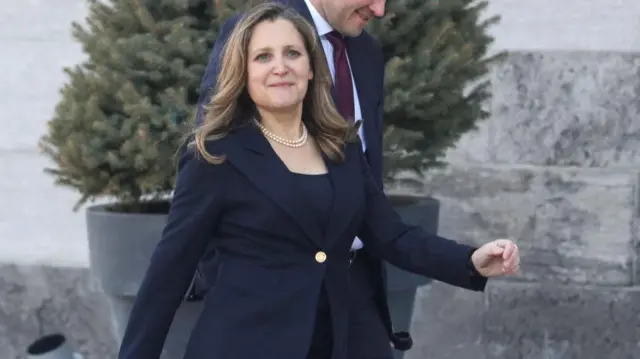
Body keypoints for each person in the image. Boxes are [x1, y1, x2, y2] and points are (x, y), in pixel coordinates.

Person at [118, 3, 520, 359]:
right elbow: (168, 273)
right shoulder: (215, 155)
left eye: (292, 53)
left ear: (312, 68)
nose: (281, 66)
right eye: (263, 57)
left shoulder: (340, 147)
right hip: (245, 344)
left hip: (340, 339)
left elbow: (390, 235)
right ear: (241, 71)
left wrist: (469, 261)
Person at [187, 0, 415, 357]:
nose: (380, 9)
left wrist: (470, 262)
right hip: (269, 299)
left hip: (355, 287)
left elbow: (367, 177)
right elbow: (211, 155)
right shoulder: (258, 29)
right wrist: (235, 286)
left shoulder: (367, 52)